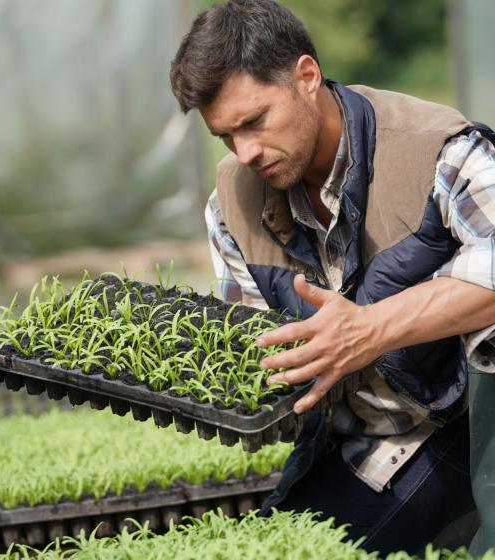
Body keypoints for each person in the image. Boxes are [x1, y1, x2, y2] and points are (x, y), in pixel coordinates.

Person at [170, 0, 495, 555]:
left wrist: (370, 328)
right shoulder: (231, 205)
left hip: (462, 425)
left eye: (254, 122)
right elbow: (255, 348)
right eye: (226, 136)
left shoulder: (437, 148)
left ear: (306, 76)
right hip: (353, 444)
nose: (245, 152)